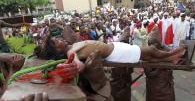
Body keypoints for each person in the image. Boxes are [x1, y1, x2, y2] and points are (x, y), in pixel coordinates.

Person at [34, 34, 186, 71]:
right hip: (116, 54)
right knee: (151, 50)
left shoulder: (71, 46)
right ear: (57, 49)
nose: (59, 39)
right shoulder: (71, 52)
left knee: (148, 58)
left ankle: (170, 59)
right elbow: (78, 65)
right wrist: (76, 64)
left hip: (115, 47)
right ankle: (172, 54)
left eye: (56, 38)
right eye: (56, 42)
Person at [145, 37, 176, 101]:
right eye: (153, 46)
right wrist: (160, 67)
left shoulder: (164, 52)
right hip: (154, 87)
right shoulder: (148, 55)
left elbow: (172, 52)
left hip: (166, 85)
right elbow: (149, 74)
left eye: (157, 45)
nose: (155, 48)